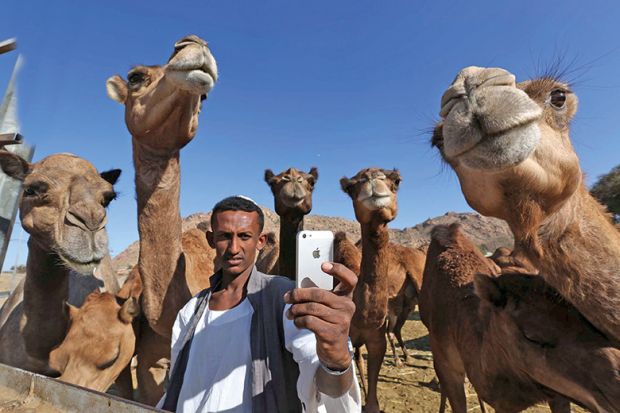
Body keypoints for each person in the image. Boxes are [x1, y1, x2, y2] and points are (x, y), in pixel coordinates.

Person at [159, 196, 361, 412]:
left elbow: (325, 385)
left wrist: (336, 359)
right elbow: (177, 385)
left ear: (260, 241)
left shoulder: (285, 299)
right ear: (211, 239)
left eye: (244, 236)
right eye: (225, 237)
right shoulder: (190, 312)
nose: (234, 248)